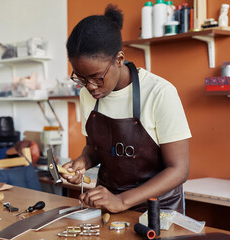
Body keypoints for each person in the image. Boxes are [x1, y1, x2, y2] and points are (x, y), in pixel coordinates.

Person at [61, 4, 191, 213]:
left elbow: (178, 170)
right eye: (82, 79)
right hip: (108, 207)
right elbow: (96, 149)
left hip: (158, 211)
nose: (91, 87)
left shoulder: (160, 93)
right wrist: (84, 161)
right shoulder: (88, 95)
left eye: (97, 77)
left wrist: (121, 201)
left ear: (119, 60)